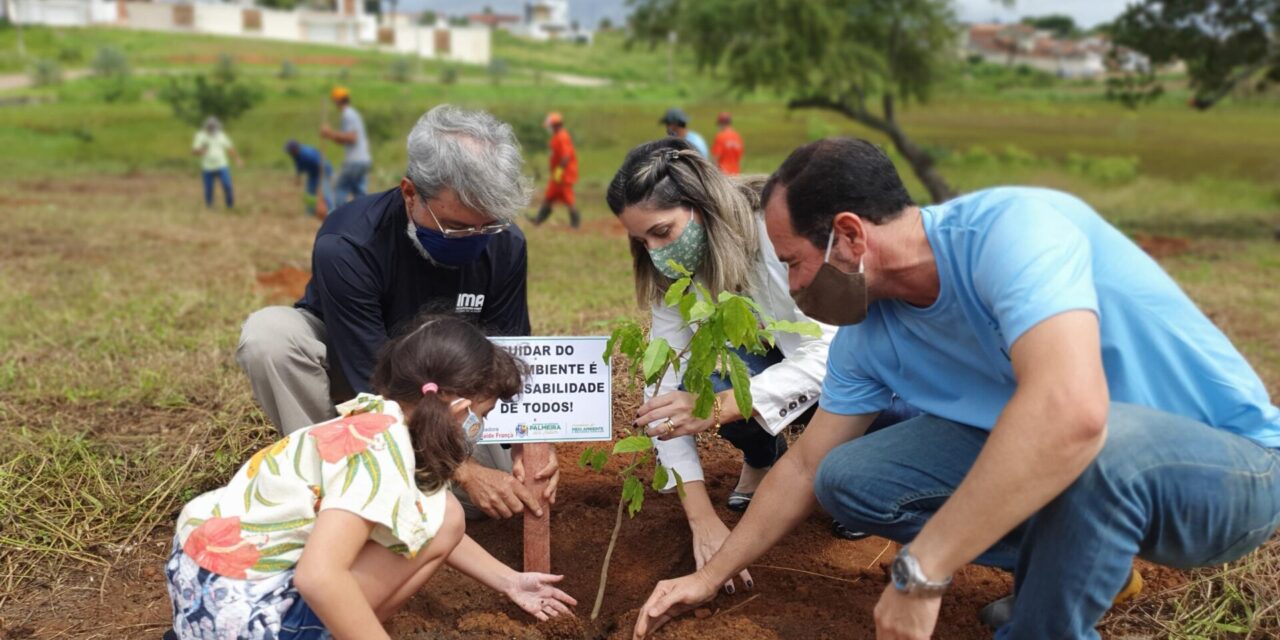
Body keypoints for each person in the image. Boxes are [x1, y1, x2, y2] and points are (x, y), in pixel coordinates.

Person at [634, 138, 1280, 639]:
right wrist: (707, 577)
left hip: (1230, 472)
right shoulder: (871, 333)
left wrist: (922, 571)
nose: (795, 288)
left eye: (795, 264)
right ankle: (1082, 562)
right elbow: (804, 465)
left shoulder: (1015, 231)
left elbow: (1073, 415)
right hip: (1087, 465)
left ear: (851, 236)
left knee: (1095, 444)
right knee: (850, 478)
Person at [606, 138, 920, 594]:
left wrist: (720, 407)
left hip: (866, 363)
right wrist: (703, 520)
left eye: (662, 231)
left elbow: (835, 355)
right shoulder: (672, 273)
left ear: (701, 206)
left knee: (879, 424)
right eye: (641, 241)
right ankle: (762, 457)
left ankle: (861, 477)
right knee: (704, 379)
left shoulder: (775, 235)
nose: (655, 250)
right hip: (784, 359)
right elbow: (664, 386)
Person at [165, 315, 578, 639]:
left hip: (204, 581)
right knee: (426, 525)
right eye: (482, 416)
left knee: (445, 512)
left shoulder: (374, 417)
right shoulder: (378, 458)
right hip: (243, 617)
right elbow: (318, 576)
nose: (479, 428)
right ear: (458, 411)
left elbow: (435, 522)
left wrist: (511, 582)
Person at [237, 105, 555, 523]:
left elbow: (507, 353)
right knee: (270, 337)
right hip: (360, 376)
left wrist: (527, 439)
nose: (475, 240)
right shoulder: (350, 244)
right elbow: (367, 384)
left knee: (495, 499)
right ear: (410, 193)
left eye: (488, 226)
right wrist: (462, 469)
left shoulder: (505, 243)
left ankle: (411, 485)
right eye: (458, 228)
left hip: (450, 384)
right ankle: (334, 481)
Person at [321, 86, 371, 206]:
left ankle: (340, 220)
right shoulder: (353, 113)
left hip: (354, 161)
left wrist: (329, 133)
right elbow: (345, 140)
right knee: (359, 193)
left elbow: (351, 138)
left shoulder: (347, 114)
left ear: (337, 100)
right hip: (364, 160)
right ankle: (362, 221)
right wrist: (331, 135)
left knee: (340, 188)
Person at [531, 112, 581, 228]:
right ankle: (538, 220)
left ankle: (575, 224)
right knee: (549, 196)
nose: (548, 128)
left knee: (568, 199)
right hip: (557, 175)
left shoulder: (562, 137)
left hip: (564, 175)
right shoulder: (556, 137)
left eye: (550, 126)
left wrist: (559, 171)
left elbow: (566, 157)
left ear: (555, 125)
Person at [192, 116, 242, 209]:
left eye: (214, 127)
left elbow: (230, 148)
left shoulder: (221, 135)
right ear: (206, 127)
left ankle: (230, 205)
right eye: (210, 127)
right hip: (207, 167)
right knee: (209, 189)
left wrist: (237, 159)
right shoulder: (200, 136)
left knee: (227, 184)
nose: (212, 129)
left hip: (222, 165)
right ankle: (210, 207)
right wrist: (200, 151)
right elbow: (194, 151)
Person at [285, 139, 333, 218]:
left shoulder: (307, 154)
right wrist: (298, 178)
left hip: (323, 170)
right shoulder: (296, 155)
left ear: (294, 149)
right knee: (310, 193)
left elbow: (320, 163)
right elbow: (298, 167)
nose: (289, 153)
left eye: (289, 151)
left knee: (325, 192)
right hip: (313, 173)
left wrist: (320, 182)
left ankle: (331, 211)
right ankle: (311, 212)